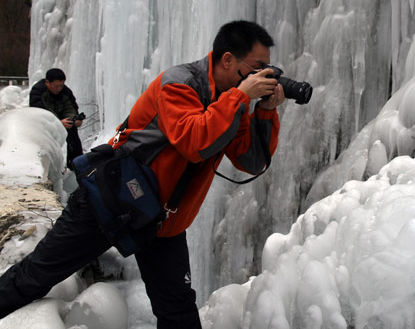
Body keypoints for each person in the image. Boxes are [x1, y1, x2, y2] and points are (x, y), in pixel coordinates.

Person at [0, 21, 285, 328]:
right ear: (228, 60)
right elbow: (194, 142)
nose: (263, 76)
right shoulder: (180, 83)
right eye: (258, 67)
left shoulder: (232, 100)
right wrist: (240, 97)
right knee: (36, 275)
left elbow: (252, 161)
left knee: (178, 313)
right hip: (109, 202)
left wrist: (266, 111)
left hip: (161, 224)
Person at [29, 68, 84, 167]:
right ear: (47, 82)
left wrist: (75, 119)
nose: (59, 89)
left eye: (61, 86)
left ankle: (76, 164)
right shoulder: (37, 91)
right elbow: (39, 114)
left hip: (60, 120)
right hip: (41, 125)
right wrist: (58, 123)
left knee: (72, 129)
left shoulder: (66, 92)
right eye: (56, 86)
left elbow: (70, 108)